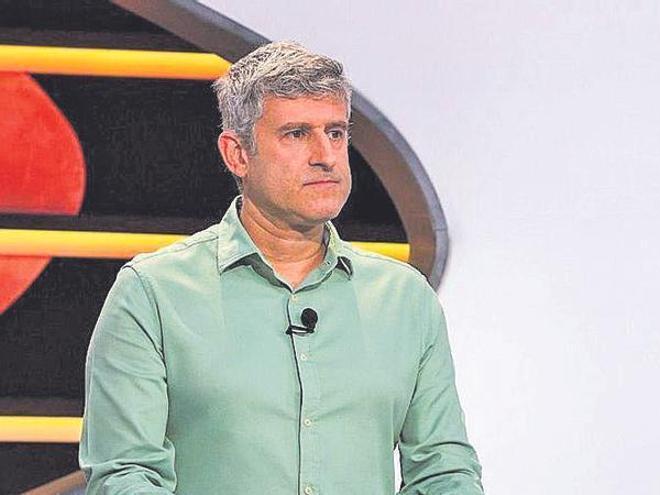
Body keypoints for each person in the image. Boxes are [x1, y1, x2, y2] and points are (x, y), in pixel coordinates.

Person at [78, 40, 483, 494]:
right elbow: (125, 473)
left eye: (336, 132)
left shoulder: (405, 298)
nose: (325, 155)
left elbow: (444, 472)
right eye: (296, 134)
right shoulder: (153, 293)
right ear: (237, 154)